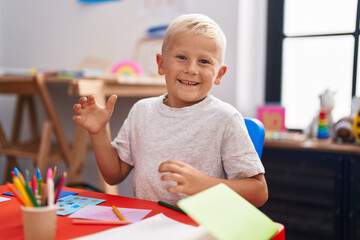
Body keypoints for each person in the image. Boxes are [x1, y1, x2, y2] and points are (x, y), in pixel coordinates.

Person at [73, 13, 268, 207]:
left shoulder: (226, 119)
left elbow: (259, 192)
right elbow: (113, 175)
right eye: (181, 57)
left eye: (204, 61)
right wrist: (98, 132)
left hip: (200, 230)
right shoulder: (141, 112)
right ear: (161, 63)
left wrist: (206, 185)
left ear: (219, 74)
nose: (191, 69)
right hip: (147, 224)